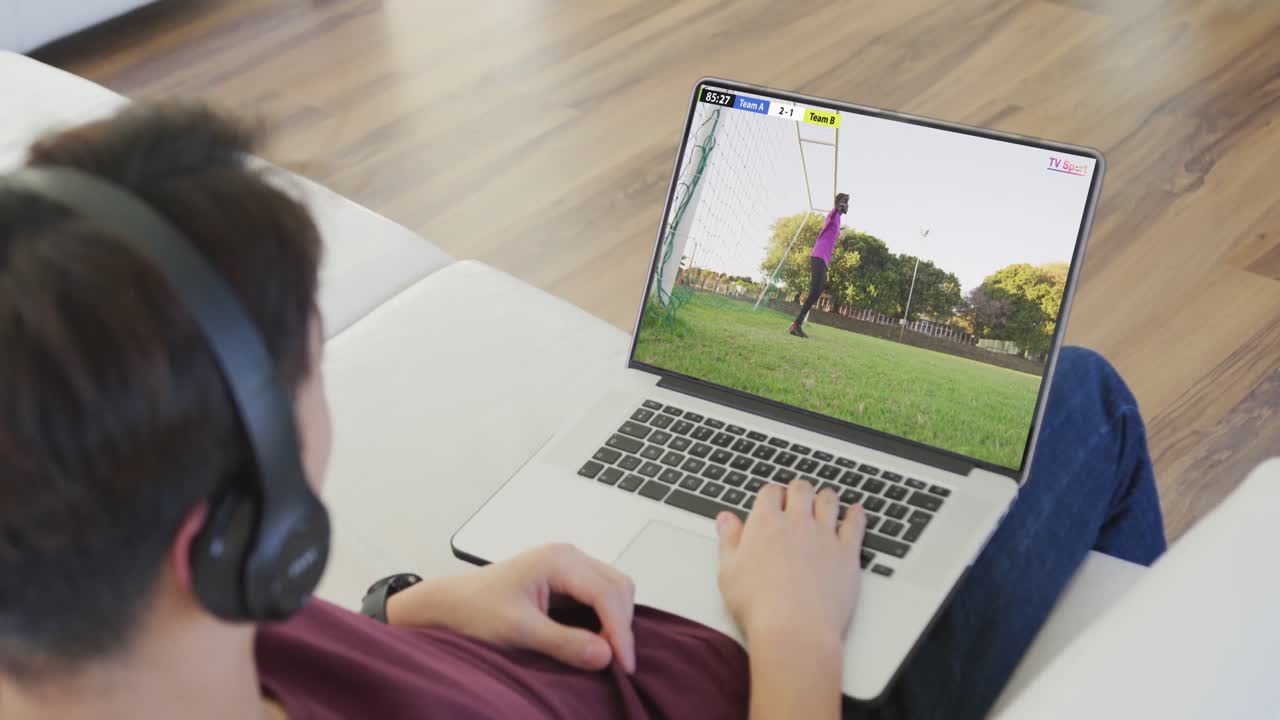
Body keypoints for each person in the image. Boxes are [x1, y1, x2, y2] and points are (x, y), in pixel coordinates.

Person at [0, 105, 1167, 720]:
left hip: (607, 630)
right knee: (1084, 398)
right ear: (234, 539)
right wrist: (799, 637)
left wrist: (413, 611)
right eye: (307, 369)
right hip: (788, 674)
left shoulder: (120, 624)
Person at [791, 192, 849, 338]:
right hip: (818, 255)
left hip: (823, 260)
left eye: (847, 203)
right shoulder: (832, 214)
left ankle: (797, 324)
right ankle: (796, 325)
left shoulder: (838, 221)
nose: (846, 205)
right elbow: (832, 214)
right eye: (843, 202)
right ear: (838, 203)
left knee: (817, 292)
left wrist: (841, 232)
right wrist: (837, 208)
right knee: (814, 291)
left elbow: (833, 232)